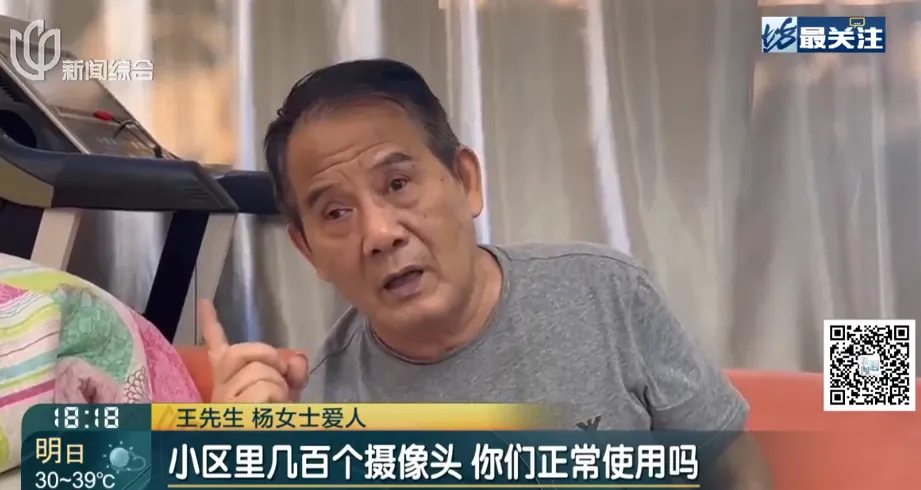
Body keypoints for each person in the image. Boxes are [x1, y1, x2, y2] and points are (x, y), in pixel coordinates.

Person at [200, 59, 772, 487]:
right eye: (336, 213)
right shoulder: (319, 412)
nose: (380, 233)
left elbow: (731, 462)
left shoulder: (606, 293)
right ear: (308, 251)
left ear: (466, 182)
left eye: (397, 184)